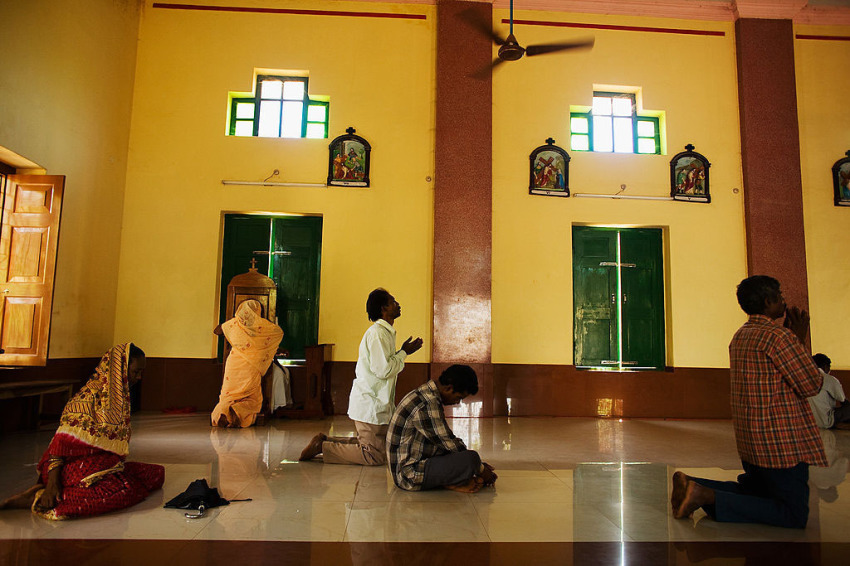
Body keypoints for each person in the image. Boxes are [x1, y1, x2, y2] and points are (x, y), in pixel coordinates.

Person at [671, 275, 826, 528]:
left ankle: (694, 485)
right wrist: (799, 339)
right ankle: (704, 494)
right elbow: (811, 384)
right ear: (768, 301)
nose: (785, 301)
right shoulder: (779, 338)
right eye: (781, 296)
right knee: (793, 513)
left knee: (759, 492)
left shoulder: (741, 335)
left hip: (752, 440)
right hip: (780, 443)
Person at [0, 343, 165, 520]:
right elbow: (57, 448)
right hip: (70, 470)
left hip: (102, 467)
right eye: (135, 372)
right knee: (124, 490)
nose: (139, 377)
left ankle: (81, 487)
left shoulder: (117, 401)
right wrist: (52, 486)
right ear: (119, 371)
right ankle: (39, 497)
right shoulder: (86, 401)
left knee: (155, 474)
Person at [300, 288, 422, 464]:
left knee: (379, 448)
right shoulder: (378, 334)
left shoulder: (384, 333)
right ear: (383, 309)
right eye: (393, 301)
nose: (398, 304)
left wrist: (402, 352)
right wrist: (403, 353)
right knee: (374, 456)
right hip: (370, 404)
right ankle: (324, 448)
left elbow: (383, 367)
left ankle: (325, 441)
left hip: (376, 403)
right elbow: (383, 370)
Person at [387, 364, 497, 492]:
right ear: (449, 388)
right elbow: (447, 441)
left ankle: (450, 481)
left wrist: (477, 465)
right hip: (408, 475)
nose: (457, 402)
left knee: (466, 460)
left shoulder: (424, 393)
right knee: (471, 459)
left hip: (410, 465)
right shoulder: (428, 403)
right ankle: (453, 482)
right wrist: (480, 468)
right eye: (459, 398)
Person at [212, 299, 283, 428]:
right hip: (250, 367)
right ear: (258, 312)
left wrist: (231, 324)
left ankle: (223, 413)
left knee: (228, 395)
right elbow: (278, 333)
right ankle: (237, 411)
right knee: (252, 399)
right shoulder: (263, 328)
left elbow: (217, 330)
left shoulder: (234, 324)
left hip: (233, 365)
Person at [807, 353, 850, 429]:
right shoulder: (829, 379)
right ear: (825, 366)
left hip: (810, 423)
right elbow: (843, 401)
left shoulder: (804, 379)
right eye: (829, 367)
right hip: (826, 421)